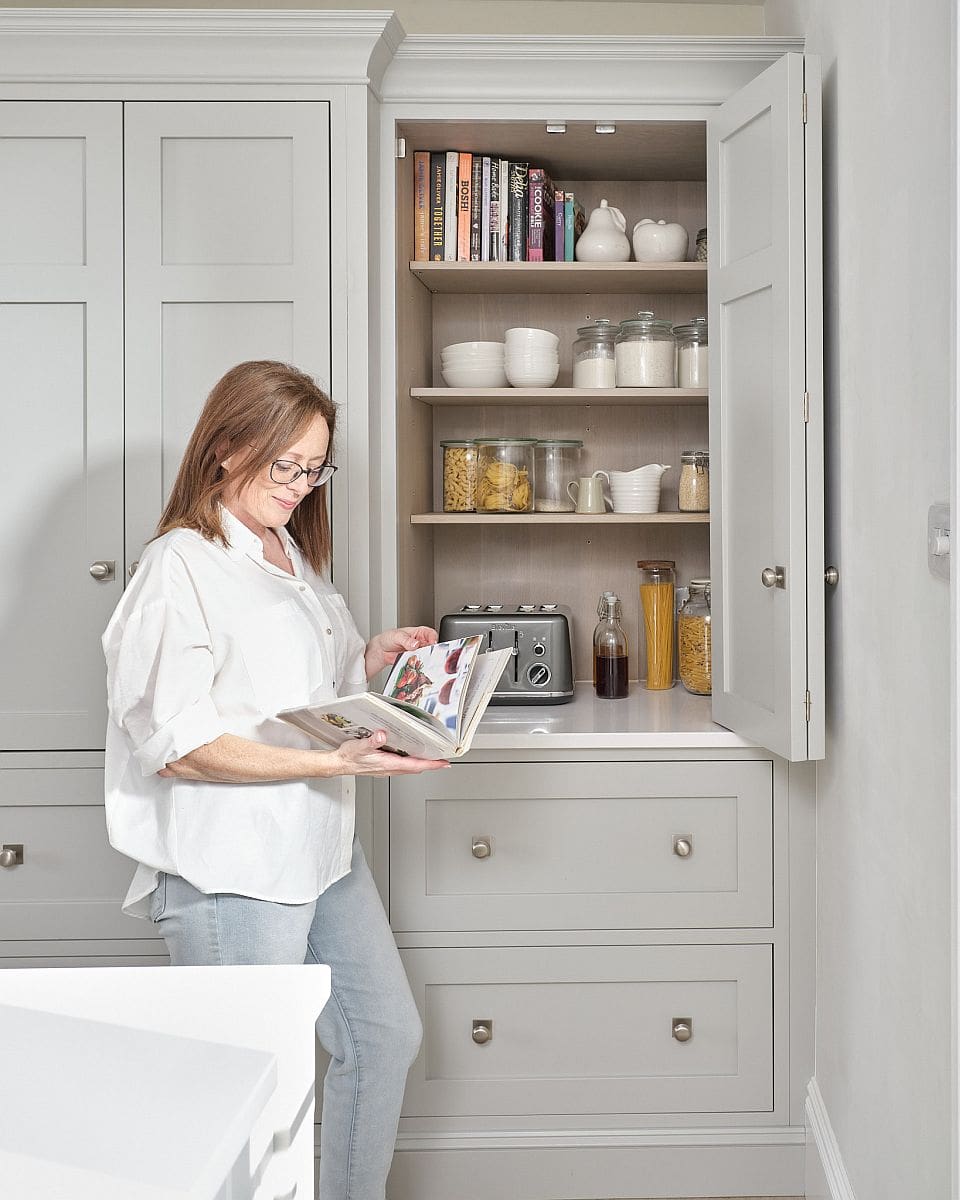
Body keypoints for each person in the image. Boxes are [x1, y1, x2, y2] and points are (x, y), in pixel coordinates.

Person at [102, 359, 449, 1200]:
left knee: (382, 1037)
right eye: (282, 464)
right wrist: (330, 761)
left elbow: (301, 690)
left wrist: (368, 660)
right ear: (224, 450)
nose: (299, 484)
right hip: (235, 874)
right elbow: (179, 745)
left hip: (321, 850)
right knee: (254, 1099)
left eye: (313, 466)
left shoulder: (289, 551)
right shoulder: (178, 567)